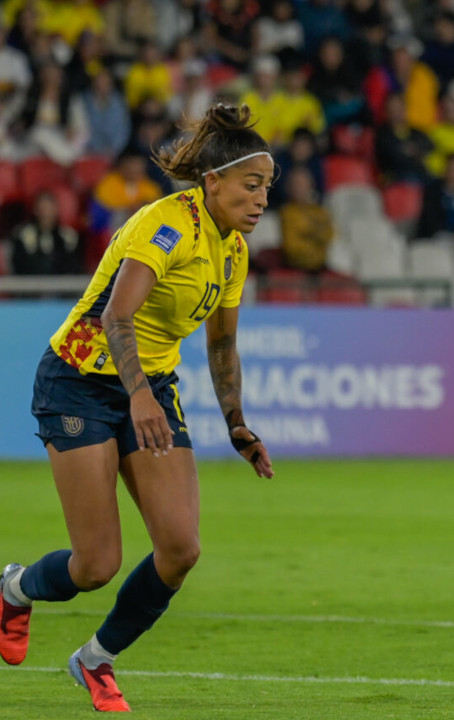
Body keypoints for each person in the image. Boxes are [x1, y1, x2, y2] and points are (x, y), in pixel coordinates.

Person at [0, 104, 275, 712]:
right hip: (78, 378)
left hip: (148, 388)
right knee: (96, 564)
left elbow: (222, 343)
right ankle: (14, 589)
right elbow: (115, 316)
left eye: (267, 189)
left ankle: (95, 660)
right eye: (251, 185)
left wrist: (236, 422)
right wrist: (141, 396)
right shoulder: (165, 225)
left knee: (181, 549)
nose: (261, 200)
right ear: (213, 182)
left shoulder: (234, 251)